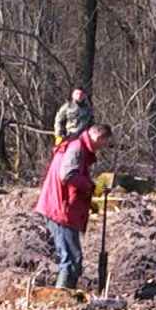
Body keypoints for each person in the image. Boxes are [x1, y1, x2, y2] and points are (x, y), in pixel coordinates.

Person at [35, 123, 114, 289]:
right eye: (104, 144)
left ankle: (65, 294)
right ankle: (61, 298)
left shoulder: (78, 147)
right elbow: (68, 174)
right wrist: (92, 187)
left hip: (61, 206)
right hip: (60, 209)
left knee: (72, 257)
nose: (103, 148)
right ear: (98, 137)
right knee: (71, 258)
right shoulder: (77, 148)